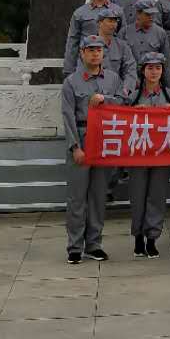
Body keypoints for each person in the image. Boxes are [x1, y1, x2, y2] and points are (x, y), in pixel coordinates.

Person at [61, 33, 119, 264]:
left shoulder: (112, 79)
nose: (95, 54)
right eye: (91, 50)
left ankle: (94, 244)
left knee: (97, 196)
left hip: (104, 140)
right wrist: (75, 147)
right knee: (77, 198)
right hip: (82, 137)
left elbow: (122, 103)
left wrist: (105, 100)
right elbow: (67, 116)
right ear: (82, 53)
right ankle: (75, 246)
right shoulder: (72, 82)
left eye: (99, 50)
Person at [128, 50, 170, 258]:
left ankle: (152, 238)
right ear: (143, 71)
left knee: (157, 197)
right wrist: (133, 112)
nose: (154, 72)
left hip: (162, 154)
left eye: (158, 68)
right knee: (138, 197)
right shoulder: (133, 96)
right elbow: (120, 121)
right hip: (138, 154)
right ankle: (138, 237)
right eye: (150, 68)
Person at [63, 0, 124, 74]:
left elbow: (122, 37)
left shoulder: (117, 11)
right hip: (86, 63)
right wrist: (69, 68)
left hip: (111, 64)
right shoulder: (80, 13)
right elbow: (73, 41)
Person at [124, 0, 170, 92]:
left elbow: (167, 64)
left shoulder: (160, 33)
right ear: (138, 14)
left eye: (153, 14)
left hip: (152, 84)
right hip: (130, 84)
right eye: (147, 14)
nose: (151, 17)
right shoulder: (125, 32)